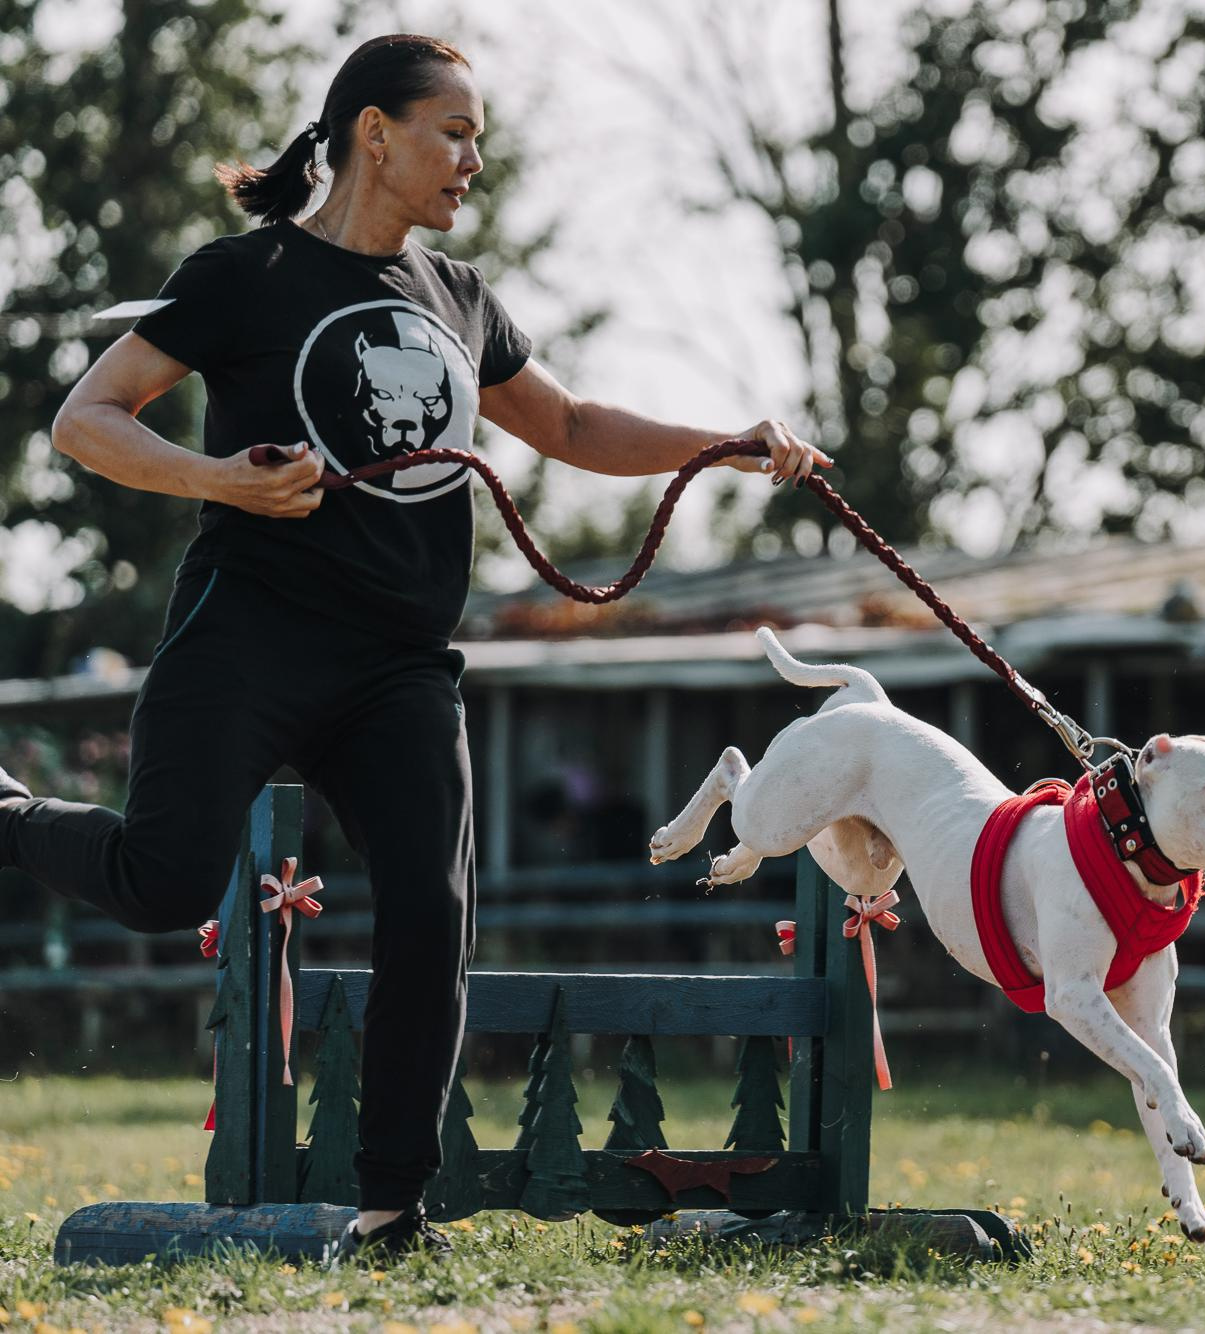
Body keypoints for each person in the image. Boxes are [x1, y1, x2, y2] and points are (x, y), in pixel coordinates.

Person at [0, 33, 829, 1259]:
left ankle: (392, 1207)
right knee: (167, 879)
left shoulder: (459, 296)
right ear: (372, 134)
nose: (473, 161)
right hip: (250, 634)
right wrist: (220, 480)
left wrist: (728, 443)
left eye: (478, 138)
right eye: (455, 132)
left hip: (397, 663)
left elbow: (570, 421)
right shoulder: (245, 275)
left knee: (433, 910)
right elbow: (89, 419)